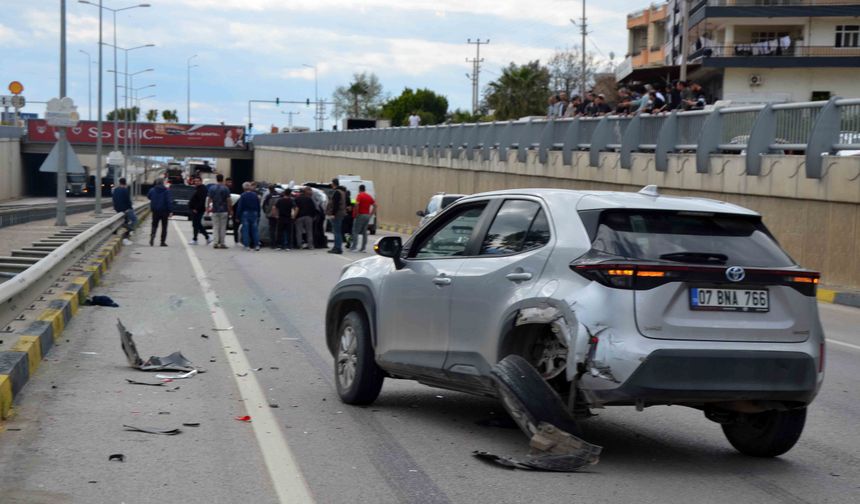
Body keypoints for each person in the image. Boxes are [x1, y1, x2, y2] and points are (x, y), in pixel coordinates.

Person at [207, 173, 233, 249]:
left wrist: (208, 207)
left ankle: (215, 243)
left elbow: (209, 199)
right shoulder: (226, 188)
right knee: (223, 227)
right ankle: (222, 243)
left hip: (215, 209)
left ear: (216, 179)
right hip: (224, 210)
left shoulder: (212, 188)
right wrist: (230, 210)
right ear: (223, 179)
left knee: (215, 227)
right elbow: (229, 200)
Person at [350, 184, 376, 252]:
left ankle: (354, 247)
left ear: (359, 189)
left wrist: (356, 213)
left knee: (355, 231)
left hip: (360, 215)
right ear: (365, 189)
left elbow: (356, 204)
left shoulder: (359, 195)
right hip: (367, 215)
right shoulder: (369, 196)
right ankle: (363, 248)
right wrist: (371, 214)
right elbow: (375, 205)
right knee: (364, 232)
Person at [147, 178, 172, 247]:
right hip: (164, 211)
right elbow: (168, 201)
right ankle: (162, 242)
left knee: (154, 225)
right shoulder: (166, 190)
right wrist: (170, 211)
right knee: (164, 227)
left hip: (155, 211)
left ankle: (152, 236)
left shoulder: (152, 190)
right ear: (163, 183)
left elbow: (148, 197)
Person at [236, 182, 261, 251]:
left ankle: (247, 245)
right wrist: (258, 214)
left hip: (245, 213)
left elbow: (240, 206)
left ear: (244, 188)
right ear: (249, 187)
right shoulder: (255, 195)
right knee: (255, 230)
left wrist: (237, 216)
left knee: (245, 230)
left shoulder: (243, 195)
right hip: (254, 213)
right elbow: (258, 205)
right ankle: (257, 245)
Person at [188, 176, 211, 245]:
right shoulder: (198, 188)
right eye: (195, 181)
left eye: (198, 181)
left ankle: (195, 239)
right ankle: (207, 237)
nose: (196, 182)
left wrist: (196, 208)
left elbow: (202, 201)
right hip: (196, 209)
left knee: (196, 224)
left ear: (201, 181)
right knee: (197, 224)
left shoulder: (202, 189)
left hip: (198, 210)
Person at [326, 178, 347, 254]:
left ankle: (337, 248)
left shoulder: (337, 192)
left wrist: (333, 214)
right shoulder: (343, 192)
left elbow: (336, 204)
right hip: (341, 214)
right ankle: (337, 247)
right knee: (338, 231)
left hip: (337, 215)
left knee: (336, 232)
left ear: (333, 183)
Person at [112, 177, 135, 245]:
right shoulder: (125, 190)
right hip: (125, 209)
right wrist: (130, 208)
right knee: (134, 220)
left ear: (119, 182)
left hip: (117, 208)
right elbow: (127, 200)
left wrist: (115, 207)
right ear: (125, 183)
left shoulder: (115, 190)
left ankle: (115, 231)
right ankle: (130, 230)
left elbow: (114, 199)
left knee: (123, 220)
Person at [262, 184, 280, 249]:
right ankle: (278, 243)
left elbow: (264, 205)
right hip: (278, 215)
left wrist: (266, 213)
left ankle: (273, 244)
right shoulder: (279, 195)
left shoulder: (268, 196)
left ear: (269, 189)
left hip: (271, 215)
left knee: (272, 230)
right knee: (278, 229)